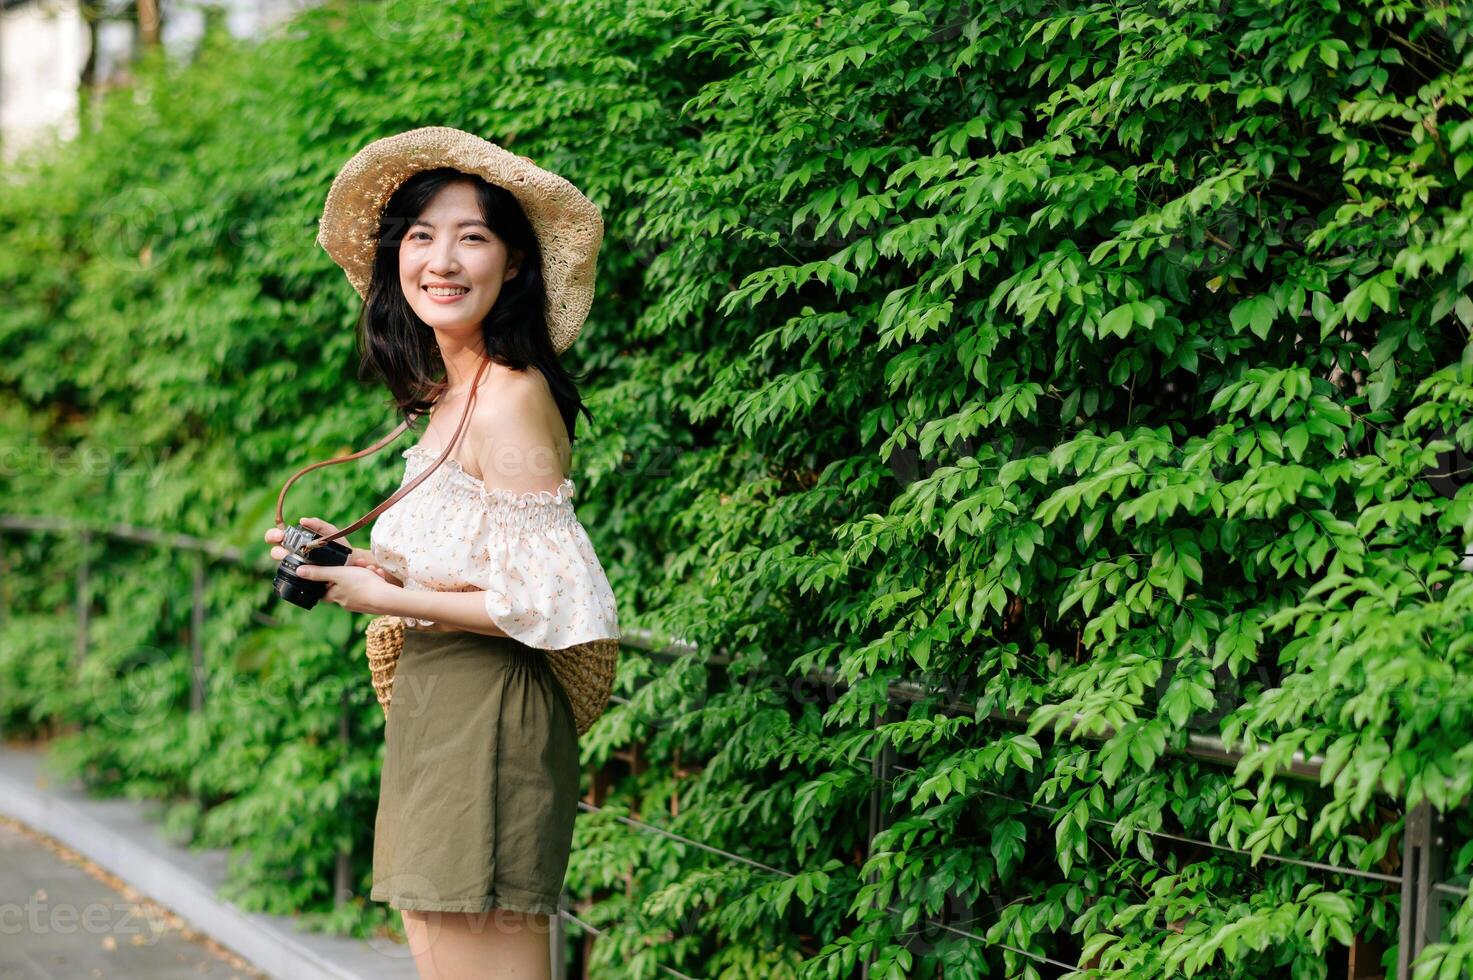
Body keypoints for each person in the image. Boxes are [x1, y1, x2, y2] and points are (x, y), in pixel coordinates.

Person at [264, 128, 620, 980]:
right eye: (421, 235)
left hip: (487, 711)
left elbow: (550, 604)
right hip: (437, 702)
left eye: (473, 236)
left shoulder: (509, 398)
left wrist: (380, 600)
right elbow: (471, 568)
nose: (441, 259)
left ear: (514, 264)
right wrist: (358, 569)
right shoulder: (448, 394)